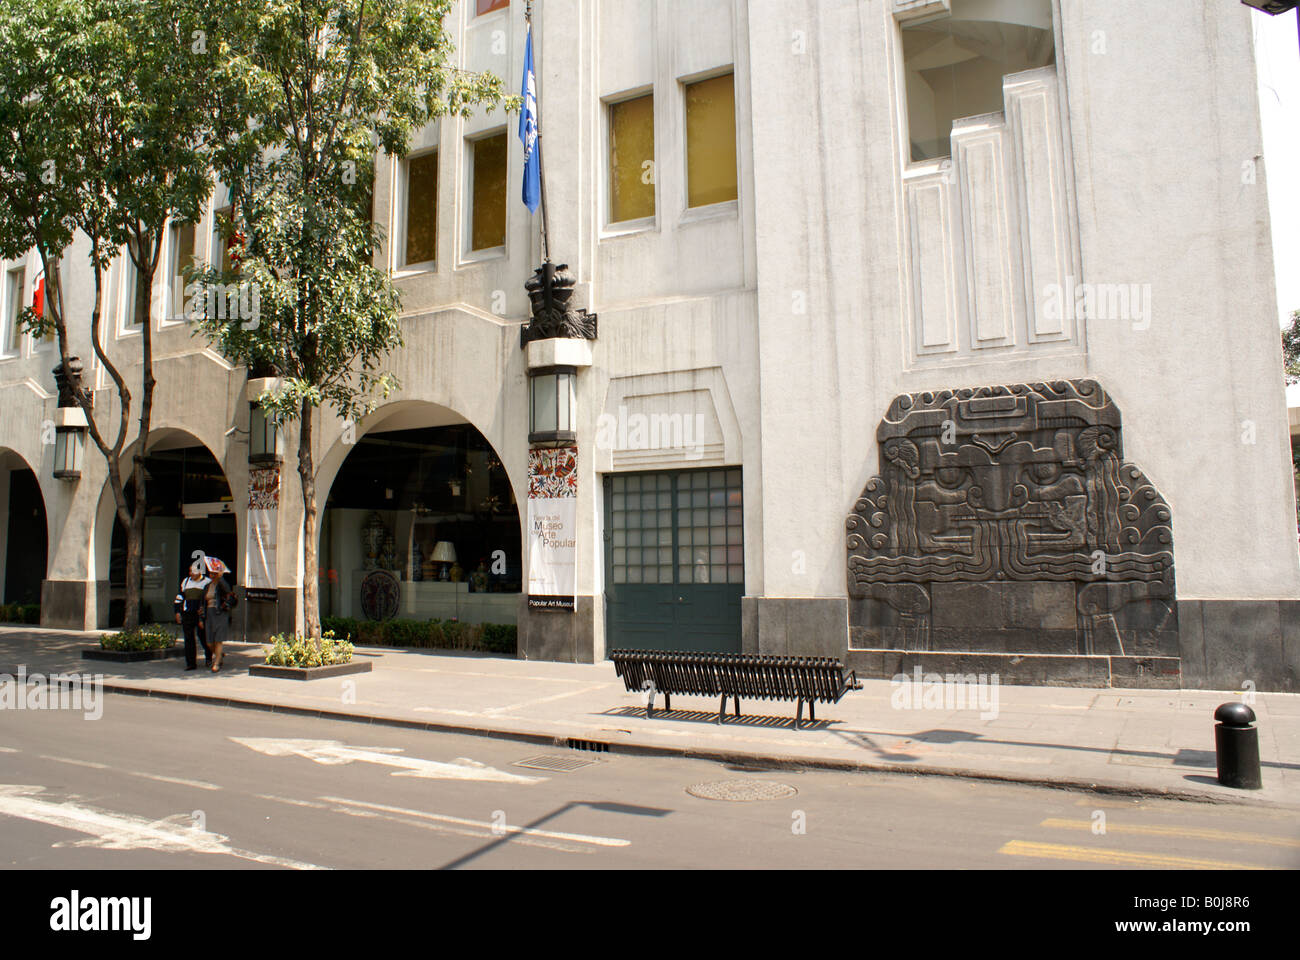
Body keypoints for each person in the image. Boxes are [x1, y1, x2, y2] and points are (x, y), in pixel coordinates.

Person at [174, 561, 212, 671]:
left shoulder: (206, 582)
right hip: (188, 613)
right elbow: (179, 597)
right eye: (190, 571)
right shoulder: (185, 582)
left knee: (203, 637)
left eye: (194, 571)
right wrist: (177, 612)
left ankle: (208, 656)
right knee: (189, 638)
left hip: (201, 614)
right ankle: (190, 663)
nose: (191, 573)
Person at [204, 568, 236, 672]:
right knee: (209, 642)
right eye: (211, 573)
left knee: (218, 639)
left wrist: (221, 578)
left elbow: (228, 591)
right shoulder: (207, 586)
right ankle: (219, 655)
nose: (212, 575)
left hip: (220, 613)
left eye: (214, 573)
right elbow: (202, 601)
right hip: (209, 613)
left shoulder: (222, 585)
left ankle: (216, 663)